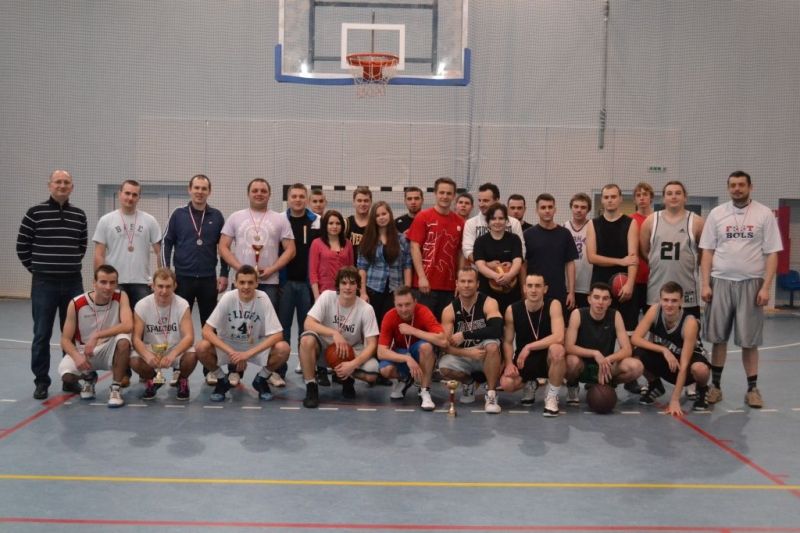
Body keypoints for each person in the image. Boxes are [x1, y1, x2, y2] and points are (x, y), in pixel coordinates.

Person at [699, 170, 783, 408]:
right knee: (718, 339)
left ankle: (752, 389)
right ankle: (716, 387)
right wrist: (705, 283)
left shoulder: (764, 214)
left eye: (741, 185)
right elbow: (707, 251)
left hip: (751, 283)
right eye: (733, 185)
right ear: (728, 188)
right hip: (719, 282)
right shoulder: (717, 213)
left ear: (750, 187)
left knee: (749, 341)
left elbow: (772, 253)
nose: (737, 189)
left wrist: (766, 287)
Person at [17, 169, 88, 400]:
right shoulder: (34, 213)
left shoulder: (79, 215)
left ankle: (69, 378)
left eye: (66, 182)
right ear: (50, 185)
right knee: (41, 334)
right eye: (58, 182)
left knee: (73, 334)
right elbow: (22, 247)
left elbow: (81, 246)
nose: (62, 185)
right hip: (44, 284)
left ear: (72, 187)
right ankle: (41, 381)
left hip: (73, 282)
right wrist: (39, 269)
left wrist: (64, 265)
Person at [161, 174, 229, 386]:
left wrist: (224, 273)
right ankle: (177, 369)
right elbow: (166, 243)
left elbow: (224, 248)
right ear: (189, 189)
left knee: (211, 326)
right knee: (180, 327)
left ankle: (211, 369)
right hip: (183, 279)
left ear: (209, 191)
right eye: (196, 188)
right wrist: (166, 272)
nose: (200, 192)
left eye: (204, 188)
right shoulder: (178, 214)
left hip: (208, 279)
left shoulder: (217, 216)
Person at [196, 266, 291, 402]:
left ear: (257, 283)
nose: (246, 286)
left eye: (250, 282)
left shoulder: (263, 298)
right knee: (201, 347)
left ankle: (261, 379)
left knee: (283, 348)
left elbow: (278, 335)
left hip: (253, 344)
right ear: (235, 283)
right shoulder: (228, 298)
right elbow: (206, 330)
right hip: (229, 345)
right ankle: (222, 380)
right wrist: (232, 352)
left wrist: (247, 354)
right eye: (242, 282)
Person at [299, 267, 380, 408]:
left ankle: (347, 378)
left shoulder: (366, 309)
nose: (348, 287)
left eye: (352, 283)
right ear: (338, 285)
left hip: (350, 351)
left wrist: (353, 364)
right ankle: (311, 387)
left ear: (358, 286)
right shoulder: (327, 297)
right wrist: (334, 333)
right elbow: (308, 323)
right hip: (325, 348)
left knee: (372, 373)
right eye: (344, 283)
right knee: (306, 340)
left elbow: (372, 344)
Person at [631, 281, 711, 415]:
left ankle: (702, 389)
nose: (669, 304)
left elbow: (684, 364)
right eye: (666, 300)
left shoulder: (689, 323)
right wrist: (664, 350)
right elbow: (635, 338)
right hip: (668, 360)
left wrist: (674, 400)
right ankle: (655, 385)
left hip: (687, 365)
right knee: (637, 354)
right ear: (660, 300)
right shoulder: (654, 311)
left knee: (700, 369)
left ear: (681, 302)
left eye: (674, 301)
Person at [58, 265, 132, 408]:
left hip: (109, 348)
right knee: (67, 376)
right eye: (103, 282)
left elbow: (128, 325)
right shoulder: (76, 303)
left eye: (112, 283)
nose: (108, 287)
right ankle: (89, 377)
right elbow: (65, 340)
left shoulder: (121, 296)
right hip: (85, 351)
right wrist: (76, 356)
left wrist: (97, 335)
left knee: (124, 340)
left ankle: (115, 388)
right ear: (94, 283)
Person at [564, 282, 644, 404]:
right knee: (571, 361)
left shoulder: (615, 315)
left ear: (610, 302)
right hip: (582, 365)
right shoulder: (578, 314)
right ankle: (572, 385)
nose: (600, 302)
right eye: (596, 297)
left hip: (606, 366)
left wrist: (609, 359)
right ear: (589, 299)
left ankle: (608, 383)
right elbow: (569, 347)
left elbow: (627, 349)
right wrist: (594, 353)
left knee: (636, 367)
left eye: (605, 298)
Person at [501, 273, 566, 416]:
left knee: (558, 349)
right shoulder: (512, 309)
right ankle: (531, 383)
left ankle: (551, 397)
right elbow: (508, 341)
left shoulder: (553, 304)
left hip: (548, 357)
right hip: (525, 359)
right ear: (524, 288)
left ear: (545, 289)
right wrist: (508, 364)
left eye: (538, 286)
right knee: (506, 384)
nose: (533, 290)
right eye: (530, 286)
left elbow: (559, 336)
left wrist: (529, 346)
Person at [439, 268, 503, 413]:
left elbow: (497, 330)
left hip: (485, 352)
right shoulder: (449, 310)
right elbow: (445, 345)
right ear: (457, 284)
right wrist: (468, 353)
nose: (466, 285)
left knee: (492, 345)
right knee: (444, 367)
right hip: (464, 354)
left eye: (470, 281)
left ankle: (491, 395)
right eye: (463, 281)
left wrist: (465, 335)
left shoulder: (489, 302)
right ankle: (469, 383)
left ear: (477, 284)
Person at [93, 179, 162, 310]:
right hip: (113, 282)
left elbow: (160, 252)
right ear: (120, 194)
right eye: (127, 193)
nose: (130, 198)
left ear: (139, 198)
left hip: (142, 283)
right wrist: (99, 280)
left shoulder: (149, 220)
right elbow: (99, 254)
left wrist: (158, 278)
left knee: (141, 320)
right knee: (115, 319)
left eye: (134, 195)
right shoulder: (106, 220)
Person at [640, 181, 704, 318]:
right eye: (669, 193)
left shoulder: (697, 222)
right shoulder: (651, 221)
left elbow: (703, 253)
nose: (673, 196)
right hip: (657, 287)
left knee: (689, 328)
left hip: (687, 288)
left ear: (685, 197)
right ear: (664, 198)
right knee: (655, 329)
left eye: (678, 193)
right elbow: (644, 251)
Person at [377, 287, 448, 410]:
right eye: (399, 305)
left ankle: (425, 390)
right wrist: (407, 359)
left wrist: (413, 331)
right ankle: (405, 379)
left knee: (426, 347)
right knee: (385, 370)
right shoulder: (389, 316)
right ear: (394, 304)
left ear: (415, 302)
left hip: (419, 352)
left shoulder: (423, 311)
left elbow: (443, 341)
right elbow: (381, 352)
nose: (404, 309)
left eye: (407, 304)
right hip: (402, 353)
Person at [131, 268, 197, 401]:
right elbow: (136, 338)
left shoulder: (182, 304)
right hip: (152, 348)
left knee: (192, 355)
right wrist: (147, 355)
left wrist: (173, 354)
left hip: (174, 347)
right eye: (160, 286)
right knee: (134, 360)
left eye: (168, 286)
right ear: (153, 286)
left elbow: (189, 336)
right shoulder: (142, 305)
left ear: (175, 286)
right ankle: (154, 380)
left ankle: (182, 380)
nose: (164, 291)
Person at [407, 177, 465, 318]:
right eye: (442, 192)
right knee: (423, 325)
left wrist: (459, 280)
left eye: (449, 193)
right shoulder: (423, 217)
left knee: (446, 325)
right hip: (425, 285)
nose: (445, 196)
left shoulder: (460, 222)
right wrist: (421, 277)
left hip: (449, 287)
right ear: (435, 193)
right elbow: (414, 247)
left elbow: (460, 253)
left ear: (454, 196)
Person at [586, 183, 639, 332]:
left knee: (628, 330)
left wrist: (630, 284)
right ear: (602, 200)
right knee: (599, 331)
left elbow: (633, 259)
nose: (610, 200)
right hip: (600, 283)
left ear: (620, 199)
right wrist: (620, 261)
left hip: (624, 285)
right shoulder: (593, 224)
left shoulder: (631, 223)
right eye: (606, 197)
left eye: (613, 197)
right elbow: (592, 257)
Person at [358, 201, 412, 326]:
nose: (381, 217)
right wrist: (363, 293)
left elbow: (407, 266)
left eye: (384, 214)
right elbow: (362, 268)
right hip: (373, 289)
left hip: (395, 290)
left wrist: (406, 291)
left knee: (390, 325)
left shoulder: (401, 239)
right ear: (373, 219)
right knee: (372, 325)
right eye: (377, 215)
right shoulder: (367, 240)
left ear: (390, 215)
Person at [279, 183, 319, 350]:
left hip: (307, 285)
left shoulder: (316, 221)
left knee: (306, 329)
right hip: (284, 284)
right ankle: (280, 365)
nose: (297, 199)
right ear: (288, 199)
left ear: (307, 199)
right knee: (282, 328)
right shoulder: (279, 220)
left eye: (301, 196)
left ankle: (305, 362)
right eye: (294, 196)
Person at [523, 193, 578, 313]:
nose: (547, 210)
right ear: (537, 210)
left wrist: (571, 292)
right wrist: (525, 290)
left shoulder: (565, 234)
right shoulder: (527, 234)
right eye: (543, 207)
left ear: (555, 210)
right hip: (534, 291)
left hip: (558, 291)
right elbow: (523, 265)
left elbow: (570, 264)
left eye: (550, 207)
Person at [473, 203, 524, 313]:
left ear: (506, 221)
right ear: (488, 222)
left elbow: (518, 261)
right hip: (487, 292)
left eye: (501, 218)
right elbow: (480, 265)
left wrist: (509, 275)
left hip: (511, 290)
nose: (497, 222)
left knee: (511, 319)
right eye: (493, 218)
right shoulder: (480, 241)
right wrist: (496, 277)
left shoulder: (514, 239)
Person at [462, 182, 525, 264]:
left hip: (509, 270)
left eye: (486, 201)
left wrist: (512, 265)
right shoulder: (471, 223)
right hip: (479, 271)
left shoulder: (514, 223)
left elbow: (521, 251)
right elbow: (468, 251)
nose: (481, 204)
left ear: (497, 200)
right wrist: (486, 265)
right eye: (479, 200)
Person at [310, 210, 354, 299]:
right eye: (331, 223)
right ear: (325, 225)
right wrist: (316, 296)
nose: (334, 226)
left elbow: (351, 270)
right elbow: (313, 272)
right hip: (323, 293)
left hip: (344, 293)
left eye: (338, 223)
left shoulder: (348, 244)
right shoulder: (316, 243)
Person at [564, 193, 593, 310]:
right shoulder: (564, 227)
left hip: (587, 285)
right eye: (576, 206)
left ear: (588, 209)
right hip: (567, 285)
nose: (579, 210)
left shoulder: (593, 227)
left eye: (583, 207)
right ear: (571, 207)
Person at [630, 182, 655, 315]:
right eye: (638, 195)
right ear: (634, 199)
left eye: (645, 194)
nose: (642, 198)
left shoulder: (659, 219)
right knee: (631, 319)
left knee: (652, 319)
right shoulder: (629, 221)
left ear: (651, 197)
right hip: (634, 279)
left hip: (654, 278)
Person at [345, 186, 372, 261]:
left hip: (371, 267)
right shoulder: (346, 223)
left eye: (366, 201)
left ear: (371, 202)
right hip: (350, 267)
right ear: (354, 202)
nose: (362, 204)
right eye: (359, 201)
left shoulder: (376, 224)